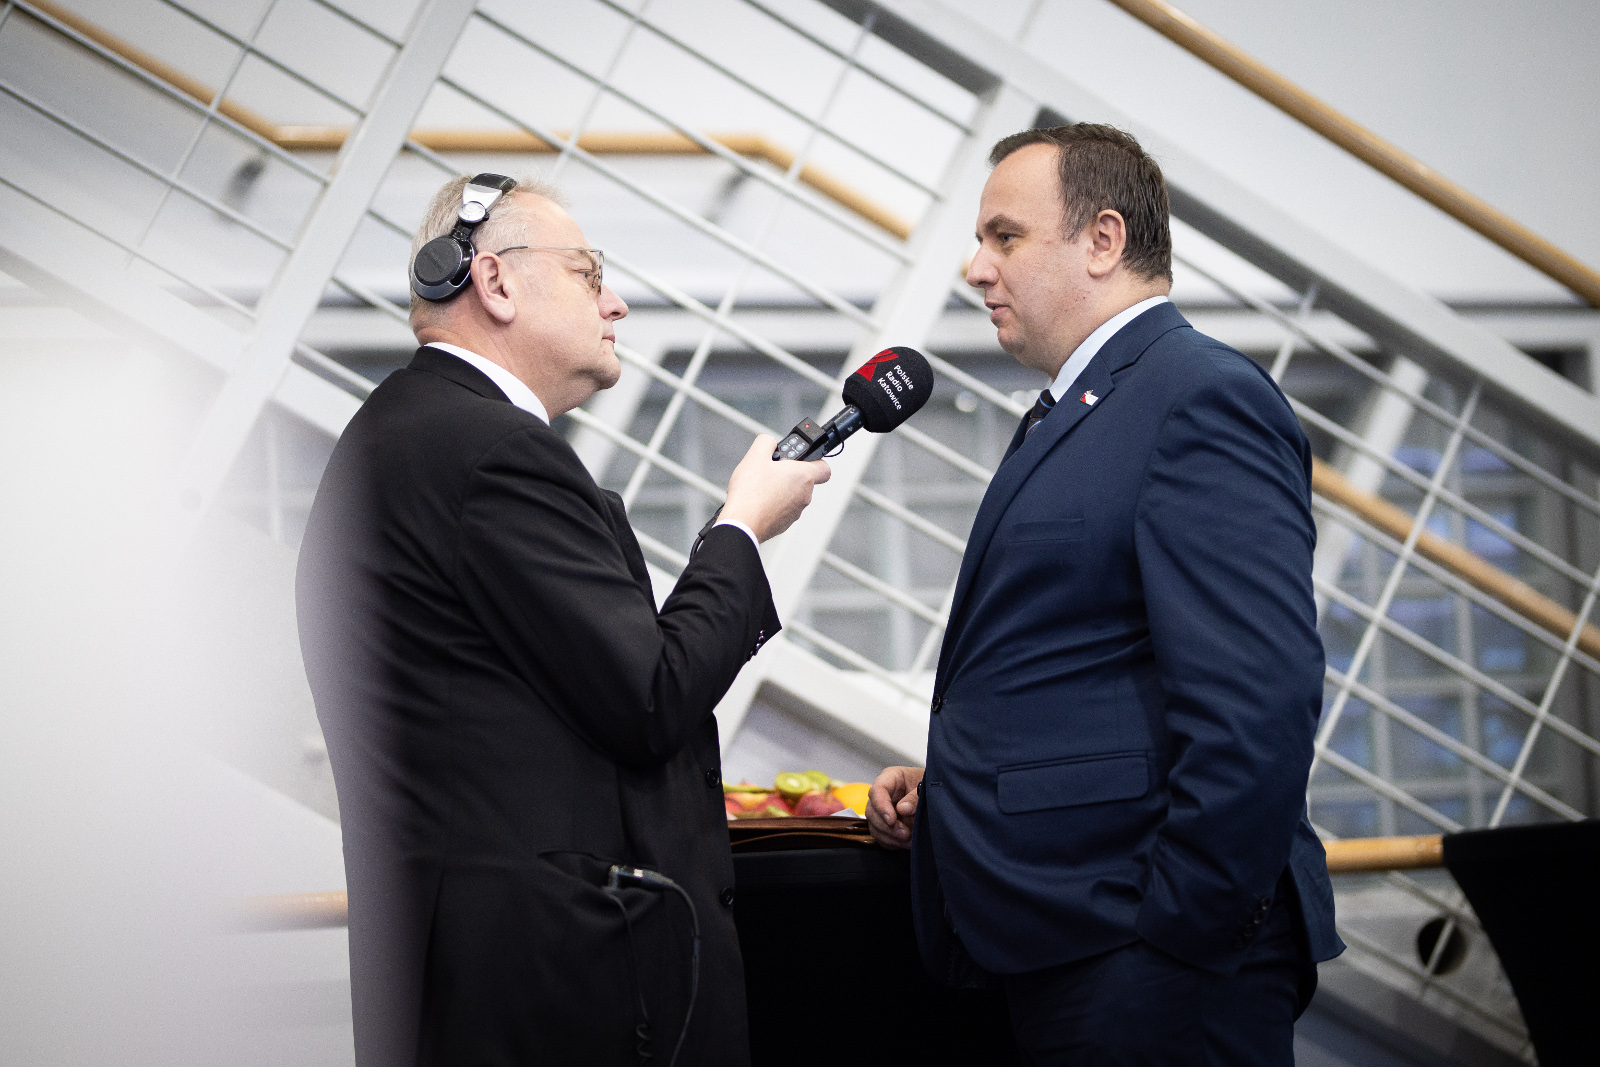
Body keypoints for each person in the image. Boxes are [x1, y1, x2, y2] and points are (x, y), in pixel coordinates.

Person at [296, 173, 830, 1067]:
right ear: (496, 283)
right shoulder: (493, 453)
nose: (615, 303)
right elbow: (651, 694)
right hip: (547, 997)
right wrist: (742, 526)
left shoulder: (404, 432)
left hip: (474, 984)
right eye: (589, 273)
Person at [865, 125, 1343, 1064]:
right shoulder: (1088, 404)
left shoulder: (1197, 396)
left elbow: (1258, 704)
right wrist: (962, 791)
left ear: (1104, 240)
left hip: (1145, 956)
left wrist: (1178, 932)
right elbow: (1093, 661)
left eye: (1004, 237)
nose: (975, 268)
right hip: (1079, 941)